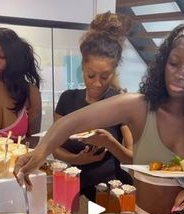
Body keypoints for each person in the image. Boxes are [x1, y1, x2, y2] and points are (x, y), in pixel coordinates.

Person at [14, 20, 184, 214]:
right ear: (162, 63)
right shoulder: (138, 107)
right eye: (174, 63)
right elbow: (70, 122)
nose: (180, 74)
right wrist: (38, 155)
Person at [53, 11, 133, 201]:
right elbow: (55, 147)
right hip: (70, 188)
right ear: (82, 67)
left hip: (107, 193)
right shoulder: (67, 99)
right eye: (91, 75)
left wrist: (110, 143)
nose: (97, 83)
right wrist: (76, 160)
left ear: (114, 72)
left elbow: (131, 158)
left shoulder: (120, 104)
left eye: (104, 77)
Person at [0, 27, 42, 139]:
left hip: (17, 156)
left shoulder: (31, 92)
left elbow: (33, 140)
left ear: (15, 58)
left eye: (3, 56)